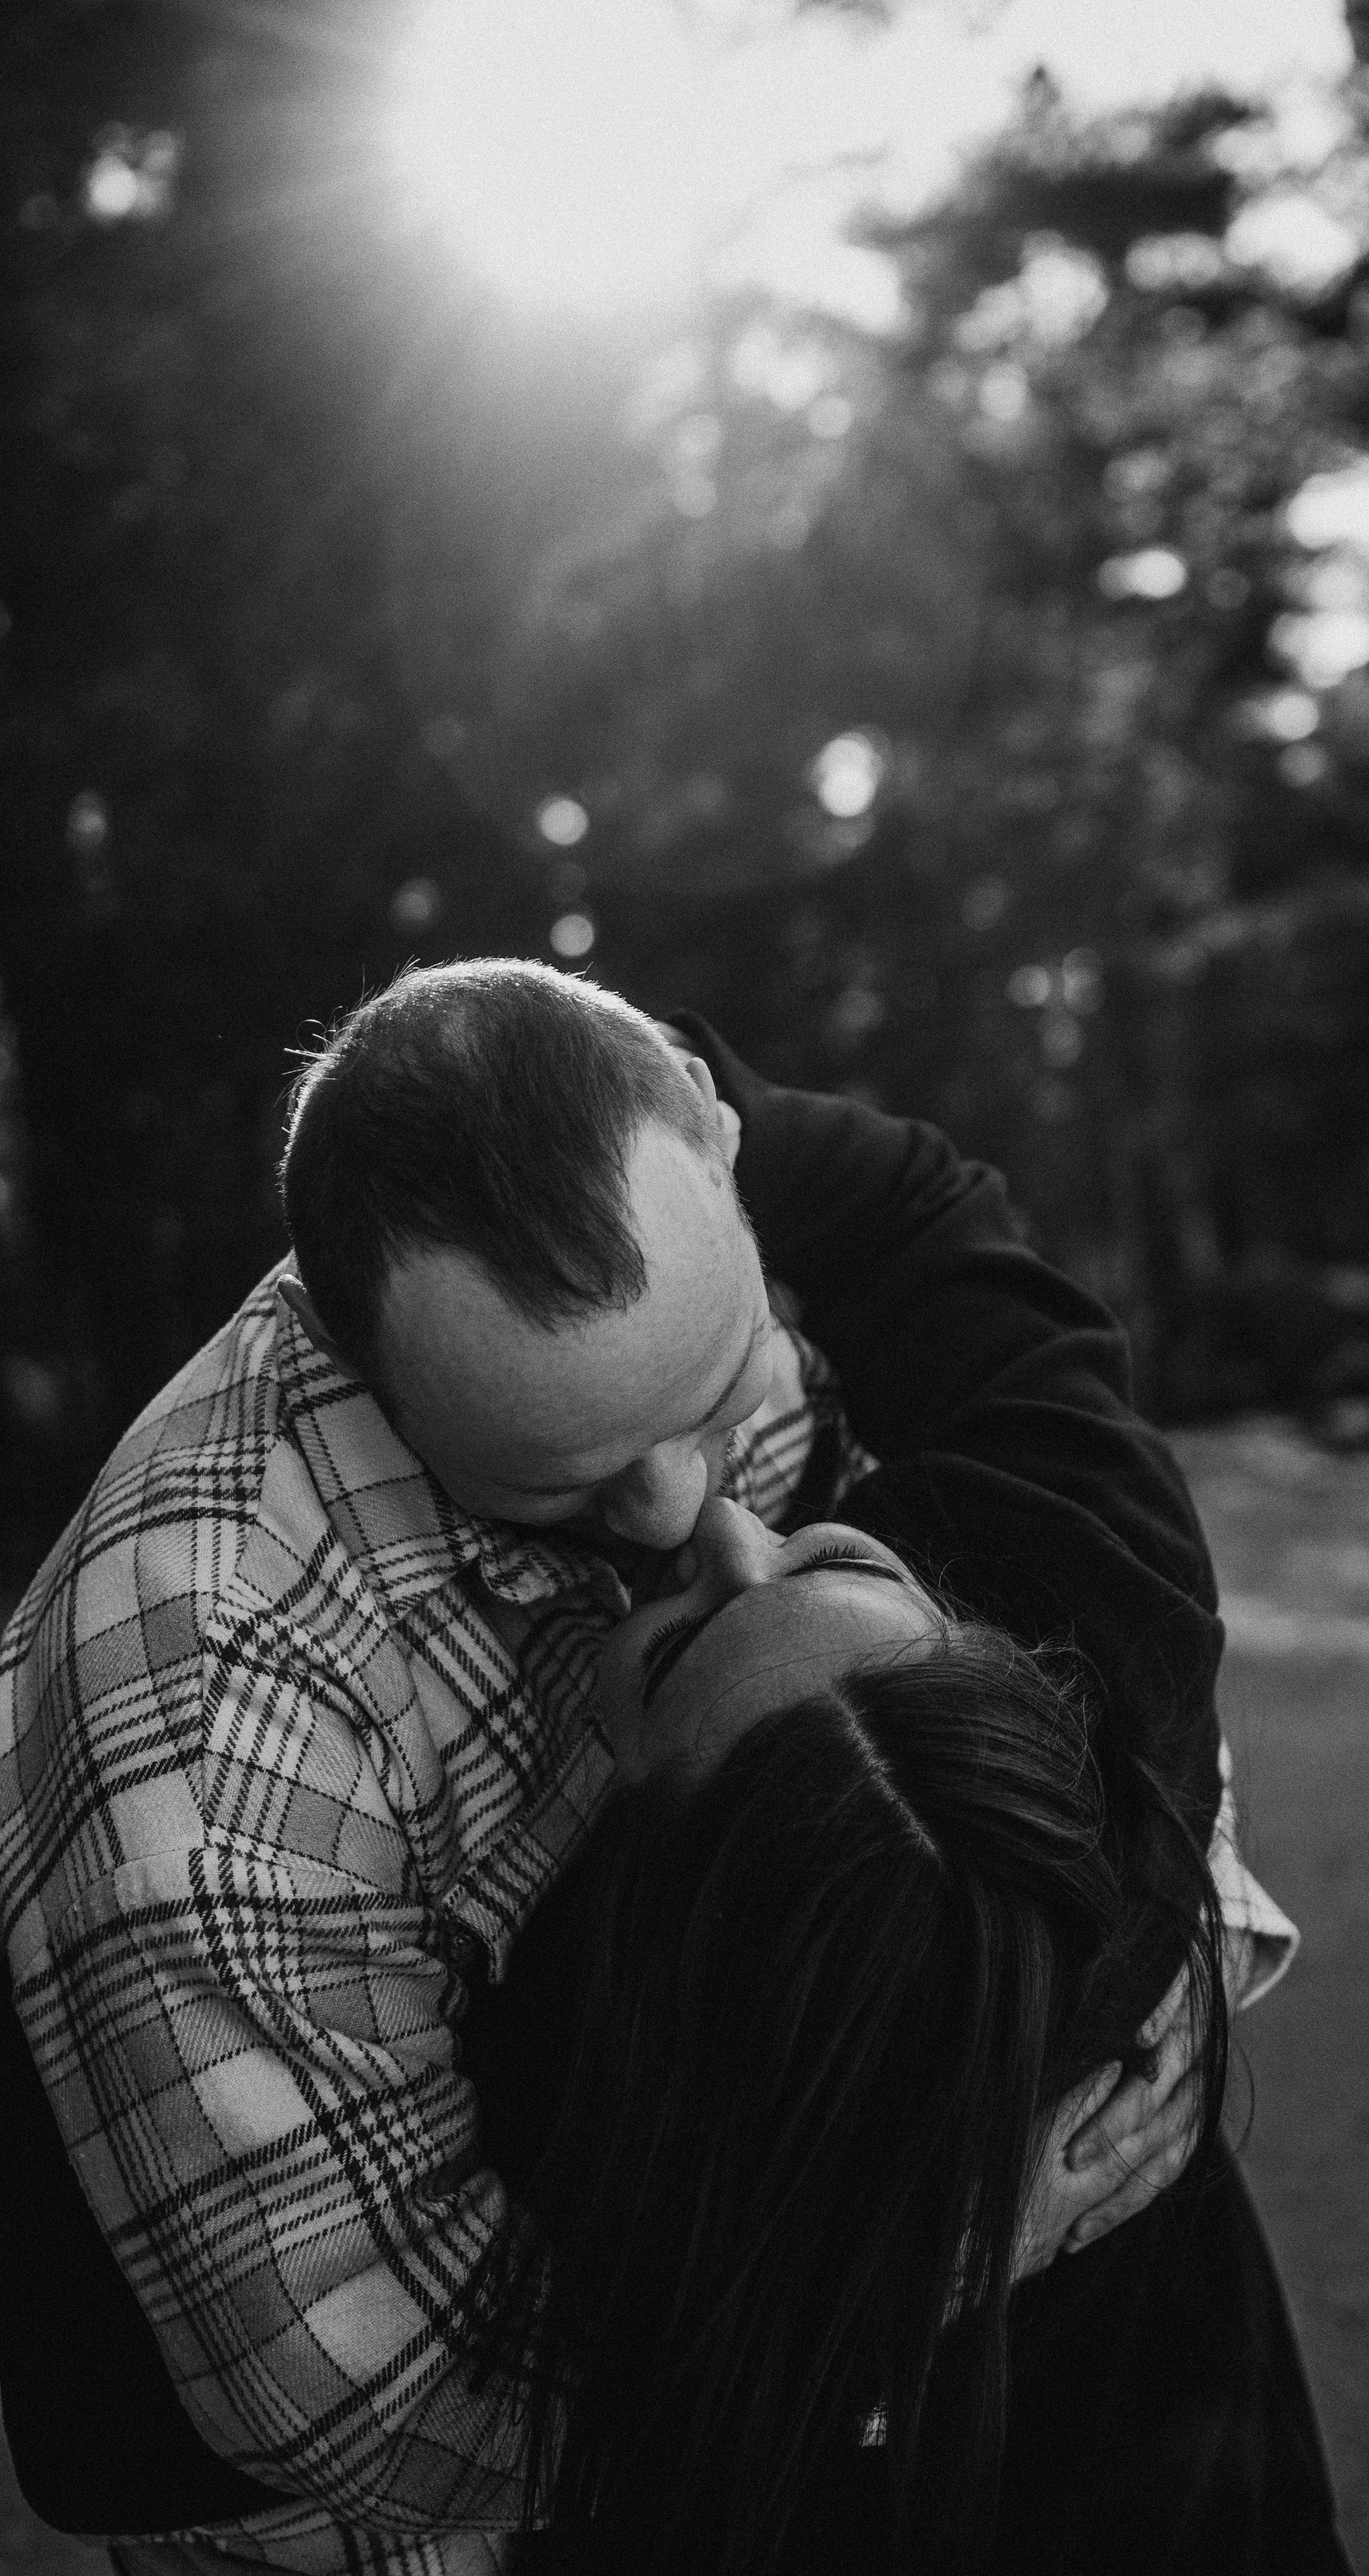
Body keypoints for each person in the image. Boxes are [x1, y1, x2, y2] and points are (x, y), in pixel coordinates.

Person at [0, 962, 872, 2576]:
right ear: (359, 1367)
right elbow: (382, 2393)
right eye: (571, 1481)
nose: (691, 1514)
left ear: (723, 1157)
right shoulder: (205, 1740)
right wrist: (915, 2295)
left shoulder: (670, 1245)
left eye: (717, 1386)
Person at [456, 1018, 1346, 2576]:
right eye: (834, 1563)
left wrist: (871, 2286)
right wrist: (660, 1121)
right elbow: (911, 1212)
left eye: (673, 1657)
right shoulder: (1096, 1578)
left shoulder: (558, 2088)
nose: (724, 1528)